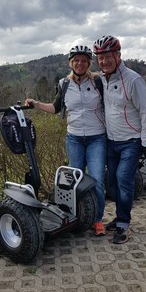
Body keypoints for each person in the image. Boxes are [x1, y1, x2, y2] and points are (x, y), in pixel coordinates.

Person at [25, 45, 107, 236]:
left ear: (89, 63)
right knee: (74, 182)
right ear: (71, 63)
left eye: (84, 61)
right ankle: (76, 216)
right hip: (74, 138)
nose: (80, 63)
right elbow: (55, 108)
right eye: (76, 60)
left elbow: (111, 105)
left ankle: (97, 220)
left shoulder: (98, 81)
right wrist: (35, 104)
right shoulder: (64, 84)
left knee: (97, 179)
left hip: (97, 138)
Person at [93, 35, 146, 244]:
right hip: (111, 141)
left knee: (123, 180)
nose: (103, 62)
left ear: (118, 56)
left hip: (131, 141)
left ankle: (124, 224)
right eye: (100, 58)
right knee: (112, 182)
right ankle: (119, 217)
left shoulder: (133, 80)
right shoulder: (102, 78)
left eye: (108, 57)